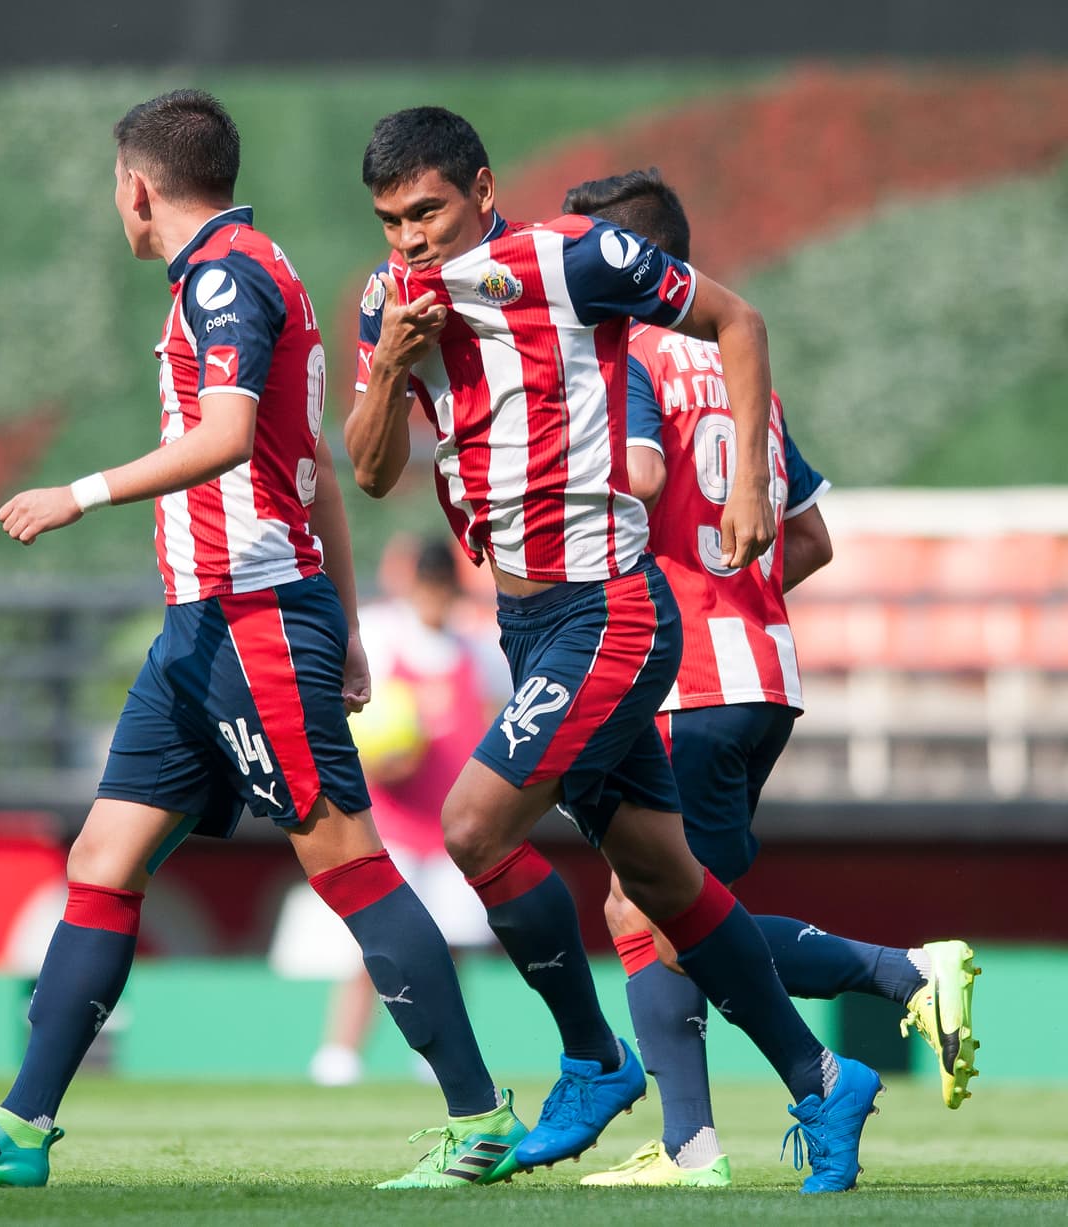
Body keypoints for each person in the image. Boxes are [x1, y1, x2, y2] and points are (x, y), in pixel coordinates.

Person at [0, 89, 529, 1191]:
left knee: (345, 861)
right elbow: (313, 463)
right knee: (102, 860)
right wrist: (360, 630)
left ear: (136, 188)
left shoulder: (228, 276)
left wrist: (78, 493)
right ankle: (22, 1129)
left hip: (255, 617)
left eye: (115, 190)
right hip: (202, 628)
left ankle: (479, 1117)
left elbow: (230, 440)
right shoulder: (240, 270)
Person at [344, 106, 882, 1195]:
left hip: (610, 612)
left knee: (469, 825)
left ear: (483, 191)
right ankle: (823, 1079)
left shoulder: (576, 259)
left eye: (428, 212)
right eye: (391, 220)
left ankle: (591, 1060)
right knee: (664, 883)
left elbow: (735, 320)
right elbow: (365, 470)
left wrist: (741, 492)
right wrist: (391, 368)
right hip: (527, 621)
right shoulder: (382, 302)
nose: (409, 239)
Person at [555, 170, 981, 1190]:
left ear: (624, 264)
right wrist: (729, 590)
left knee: (653, 913)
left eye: (576, 256)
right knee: (672, 911)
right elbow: (808, 538)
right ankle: (704, 1131)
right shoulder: (735, 374)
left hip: (681, 680)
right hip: (760, 676)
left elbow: (644, 485)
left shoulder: (627, 360)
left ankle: (706, 1133)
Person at [270, 536, 501, 1087]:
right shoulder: (380, 633)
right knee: (376, 943)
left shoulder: (478, 647)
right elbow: (343, 709)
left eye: (443, 588)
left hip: (451, 828)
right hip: (389, 823)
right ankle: (341, 1054)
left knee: (453, 946)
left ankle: (437, 1055)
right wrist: (379, 755)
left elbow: (493, 721)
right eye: (427, 586)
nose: (434, 599)